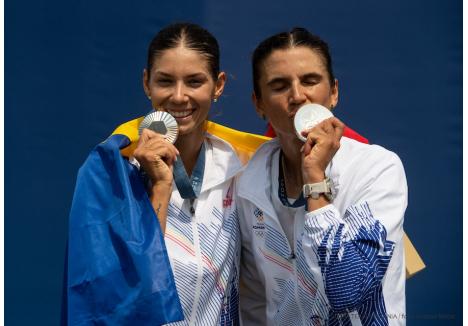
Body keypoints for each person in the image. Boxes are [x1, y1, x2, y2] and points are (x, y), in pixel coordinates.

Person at [64, 23, 242, 325]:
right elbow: (117, 297)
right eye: (165, 81)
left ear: (219, 84)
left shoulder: (238, 165)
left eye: (195, 81)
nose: (179, 96)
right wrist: (160, 186)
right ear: (147, 83)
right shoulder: (110, 173)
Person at [238, 28, 407, 325]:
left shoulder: (377, 169)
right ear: (258, 104)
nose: (297, 96)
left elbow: (349, 292)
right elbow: (254, 302)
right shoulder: (248, 182)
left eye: (310, 81)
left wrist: (314, 178)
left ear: (334, 93)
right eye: (279, 86)